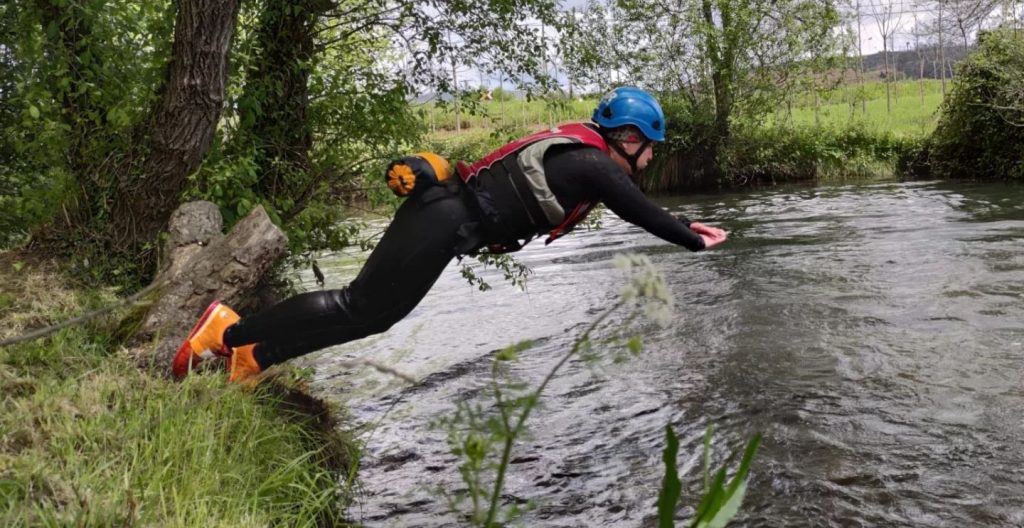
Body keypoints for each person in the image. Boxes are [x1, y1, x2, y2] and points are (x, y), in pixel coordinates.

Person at [172, 86, 728, 383]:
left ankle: (255, 357)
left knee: (375, 315)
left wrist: (682, 225)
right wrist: (691, 239)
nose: (652, 157)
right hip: (441, 216)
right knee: (357, 303)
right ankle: (225, 333)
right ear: (627, 137)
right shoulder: (596, 165)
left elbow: (642, 206)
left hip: (448, 221)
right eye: (649, 145)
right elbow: (639, 210)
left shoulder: (586, 159)